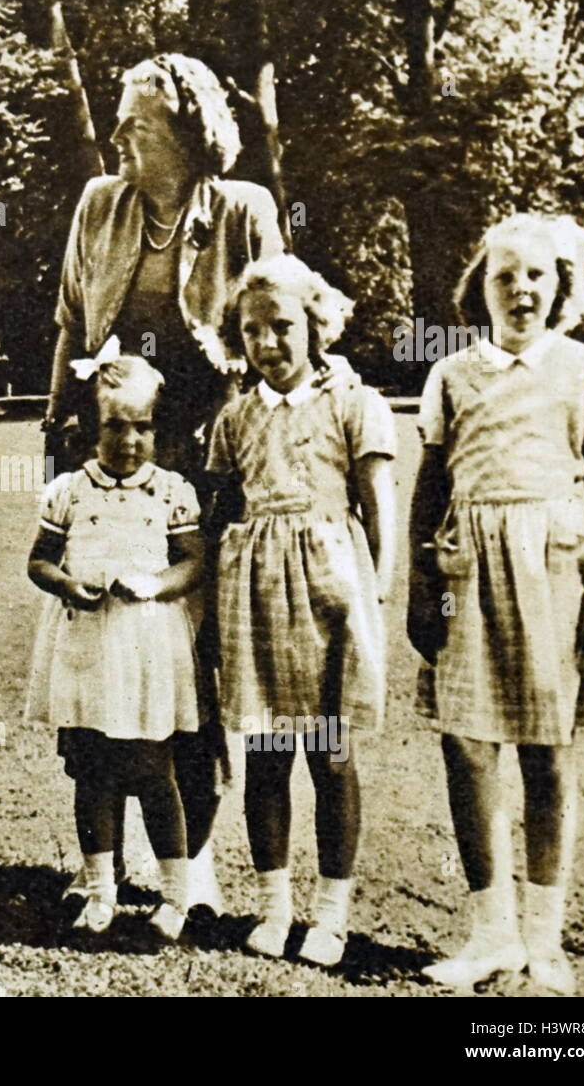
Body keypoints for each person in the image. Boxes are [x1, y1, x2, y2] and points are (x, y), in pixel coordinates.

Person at [43, 53, 286, 912]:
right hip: (112, 462)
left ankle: (192, 858)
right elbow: (72, 324)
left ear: (187, 135)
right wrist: (55, 439)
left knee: (195, 661)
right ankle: (103, 859)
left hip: (209, 465)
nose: (118, 137)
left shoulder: (243, 211)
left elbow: (273, 332)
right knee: (104, 639)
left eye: (137, 125)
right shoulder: (99, 206)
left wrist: (270, 457)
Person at [409, 214, 584, 994]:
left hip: (557, 570)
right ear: (482, 289)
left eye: (537, 275)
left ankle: (544, 942)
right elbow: (428, 488)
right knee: (467, 749)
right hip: (468, 570)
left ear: (561, 287)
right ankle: (490, 933)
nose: (522, 289)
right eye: (506, 276)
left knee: (548, 754)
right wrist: (417, 585)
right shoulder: (451, 374)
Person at [207, 255, 395, 966]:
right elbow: (221, 507)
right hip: (254, 592)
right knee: (263, 753)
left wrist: (376, 592)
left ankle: (331, 915)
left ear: (315, 326)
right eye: (252, 331)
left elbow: (379, 505)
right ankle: (275, 907)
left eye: (283, 326)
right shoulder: (236, 417)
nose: (268, 343)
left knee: (331, 754)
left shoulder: (353, 403)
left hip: (330, 591)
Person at [26, 354, 205, 941]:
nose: (129, 440)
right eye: (114, 426)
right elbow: (40, 561)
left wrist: (155, 585)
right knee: (92, 771)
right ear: (87, 427)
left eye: (143, 426)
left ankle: (176, 895)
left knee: (155, 770)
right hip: (88, 644)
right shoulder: (69, 492)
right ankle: (99, 887)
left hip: (146, 645)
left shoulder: (172, 492)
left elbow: (195, 563)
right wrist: (67, 584)